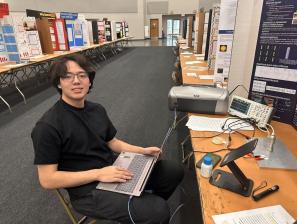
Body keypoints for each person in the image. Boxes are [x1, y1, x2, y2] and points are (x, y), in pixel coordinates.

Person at [31, 54, 184, 224]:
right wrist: (99, 174)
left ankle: (139, 209)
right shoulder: (47, 126)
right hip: (87, 191)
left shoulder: (96, 110)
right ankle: (144, 210)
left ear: (89, 81)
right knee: (158, 210)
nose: (76, 81)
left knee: (173, 171)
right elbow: (47, 179)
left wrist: (143, 151)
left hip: (114, 168)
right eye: (68, 76)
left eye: (82, 75)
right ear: (59, 83)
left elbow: (113, 142)